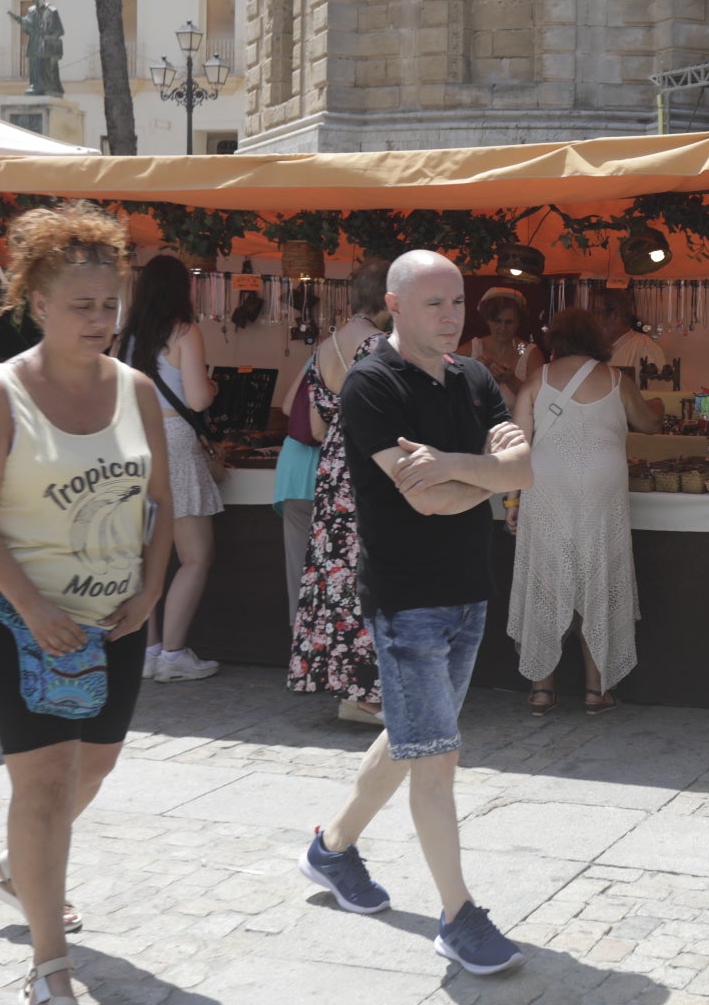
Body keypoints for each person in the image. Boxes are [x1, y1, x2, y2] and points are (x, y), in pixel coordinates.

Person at [0, 204, 171, 1005]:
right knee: (43, 782)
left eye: (110, 305)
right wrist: (33, 607)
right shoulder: (0, 396)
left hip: (112, 616)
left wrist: (150, 586)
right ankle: (49, 966)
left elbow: (159, 503)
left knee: (96, 764)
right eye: (82, 306)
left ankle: (19, 869)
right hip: (13, 612)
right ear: (36, 303)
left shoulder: (138, 390)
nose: (100, 320)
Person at [297, 250, 534, 976]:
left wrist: (456, 464)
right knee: (437, 758)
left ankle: (331, 850)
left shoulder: (475, 378)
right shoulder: (372, 384)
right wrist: (482, 473)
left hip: (468, 588)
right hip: (407, 600)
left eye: (457, 301)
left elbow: (522, 471)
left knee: (412, 736)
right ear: (395, 306)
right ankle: (459, 917)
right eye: (435, 303)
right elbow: (422, 498)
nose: (453, 315)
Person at [506, 307, 661, 715]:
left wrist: (511, 502)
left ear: (556, 340)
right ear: (598, 340)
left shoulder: (538, 380)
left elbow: (517, 446)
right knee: (598, 577)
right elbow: (648, 424)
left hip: (547, 485)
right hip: (602, 488)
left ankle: (542, 689)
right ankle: (596, 691)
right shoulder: (616, 380)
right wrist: (659, 407)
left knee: (547, 577)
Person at [288, 259, 391, 726]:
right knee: (370, 577)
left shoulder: (325, 346)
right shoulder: (381, 346)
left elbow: (313, 423)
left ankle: (348, 686)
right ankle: (367, 693)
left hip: (332, 468)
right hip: (369, 467)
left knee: (336, 579)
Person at [116, 255, 223, 683]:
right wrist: (212, 385)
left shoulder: (125, 338)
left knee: (146, 555)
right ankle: (174, 655)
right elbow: (197, 400)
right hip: (175, 442)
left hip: (133, 444)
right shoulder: (184, 332)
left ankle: (147, 649)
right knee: (195, 556)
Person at [274, 365, 322, 631]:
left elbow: (287, 406)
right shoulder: (377, 353)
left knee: (300, 574)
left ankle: (302, 658)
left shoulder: (322, 354)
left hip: (295, 469)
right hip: (332, 472)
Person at [460, 286, 546, 408]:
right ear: (487, 320)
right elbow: (448, 391)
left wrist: (512, 381)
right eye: (497, 321)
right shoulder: (472, 349)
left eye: (509, 322)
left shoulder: (528, 352)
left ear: (518, 322)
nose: (502, 328)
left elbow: (542, 401)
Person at [597, 289, 663, 384]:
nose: (592, 319)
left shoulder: (645, 347)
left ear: (614, 315)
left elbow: (656, 393)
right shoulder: (597, 349)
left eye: (597, 312)